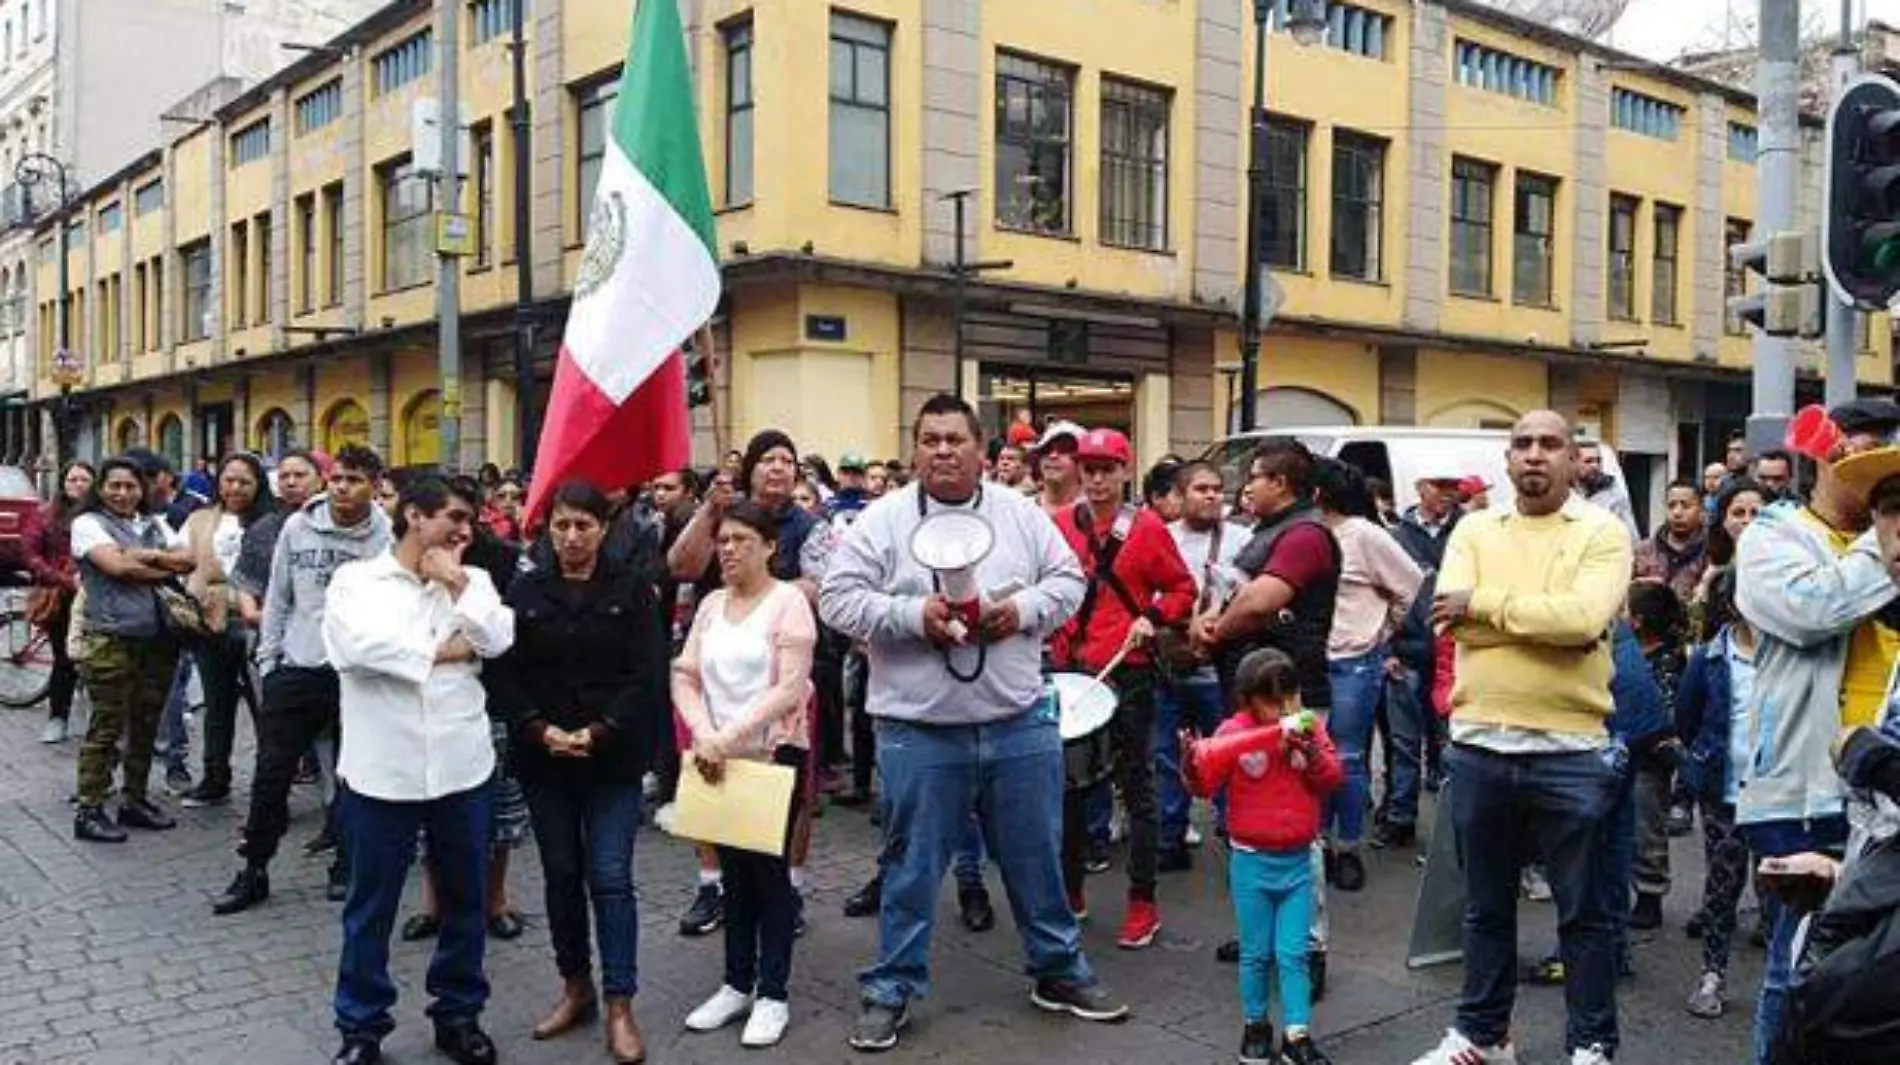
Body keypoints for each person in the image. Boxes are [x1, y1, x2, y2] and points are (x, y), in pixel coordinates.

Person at [821, 393, 1126, 1053]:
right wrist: (912, 616)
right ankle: (893, 986)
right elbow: (839, 599)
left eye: (955, 439)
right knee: (910, 866)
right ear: (914, 450)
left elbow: (1069, 581)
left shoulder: (1019, 514)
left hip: (1018, 720)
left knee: (1036, 855)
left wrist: (1019, 613)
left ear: (981, 450)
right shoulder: (882, 520)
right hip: (920, 729)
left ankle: (1058, 968)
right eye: (929, 439)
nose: (942, 450)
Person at [1411, 410, 1632, 1065]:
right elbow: (1448, 624)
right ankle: (1484, 1035)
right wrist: (1535, 615)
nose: (1535, 454)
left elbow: (1585, 618)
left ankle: (1591, 1043)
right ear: (1508, 460)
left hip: (1571, 748)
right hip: (1481, 743)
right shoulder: (1474, 528)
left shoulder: (1602, 531)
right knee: (1484, 907)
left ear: (1573, 459)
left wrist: (1487, 605)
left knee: (1583, 914)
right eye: (1522, 444)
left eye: (1550, 444)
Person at [323, 475, 515, 1065]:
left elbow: (500, 638)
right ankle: (361, 1028)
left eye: (471, 523)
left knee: (465, 899)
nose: (465, 531)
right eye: (454, 519)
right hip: (383, 771)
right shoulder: (356, 581)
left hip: (463, 765)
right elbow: (357, 650)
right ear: (413, 516)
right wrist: (449, 651)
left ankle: (458, 1014)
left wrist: (455, 583)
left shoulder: (472, 580)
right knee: (371, 905)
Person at [1732, 399, 1900, 1062]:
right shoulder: (1775, 536)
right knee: (1798, 967)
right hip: (1812, 784)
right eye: (1861, 467)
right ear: (1824, 460)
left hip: (1882, 787)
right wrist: (1881, 544)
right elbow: (1810, 609)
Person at [491, 481, 666, 1063]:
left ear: (603, 528)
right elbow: (505, 674)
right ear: (548, 528)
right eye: (561, 526)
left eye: (583, 526)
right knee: (562, 875)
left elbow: (646, 675)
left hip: (611, 757)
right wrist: (539, 729)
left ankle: (621, 1002)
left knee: (610, 877)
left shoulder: (633, 589)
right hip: (545, 757)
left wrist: (599, 730)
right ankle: (576, 987)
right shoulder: (525, 588)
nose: (571, 537)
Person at [210, 445, 391, 916]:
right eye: (337, 479)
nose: (343, 488)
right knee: (272, 773)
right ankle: (253, 869)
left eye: (354, 479)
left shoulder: (387, 537)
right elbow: (278, 597)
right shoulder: (298, 526)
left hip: (357, 675)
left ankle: (347, 864)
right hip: (296, 668)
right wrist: (271, 661)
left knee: (355, 776)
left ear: (374, 485)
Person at [673, 499, 818, 1049]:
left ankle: (773, 993)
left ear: (770, 546)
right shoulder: (711, 604)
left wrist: (726, 736)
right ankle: (735, 983)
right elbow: (685, 673)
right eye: (723, 540)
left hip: (770, 756)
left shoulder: (789, 604)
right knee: (732, 876)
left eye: (741, 540)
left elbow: (788, 688)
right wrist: (703, 732)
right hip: (718, 758)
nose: (728, 550)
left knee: (769, 877)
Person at [1194, 438, 1342, 976]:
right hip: (1249, 694)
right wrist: (1208, 618)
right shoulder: (1265, 534)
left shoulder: (1304, 535)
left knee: (1297, 829)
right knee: (1248, 825)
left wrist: (1214, 631)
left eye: (1254, 476)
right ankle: (1264, 936)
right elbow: (1231, 590)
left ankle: (1307, 949)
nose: (1246, 486)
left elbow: (1261, 600)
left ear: (1281, 483)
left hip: (1290, 698)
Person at [1050, 428, 1196, 948]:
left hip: (1128, 668)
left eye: (1106, 469)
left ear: (1124, 472)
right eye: (1087, 469)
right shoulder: (1061, 524)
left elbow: (1183, 588)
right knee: (1067, 789)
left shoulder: (1148, 528)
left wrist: (1153, 618)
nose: (1095, 479)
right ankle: (1070, 892)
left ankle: (1142, 902)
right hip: (1072, 670)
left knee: (1136, 785)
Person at [1185, 648, 1343, 1065]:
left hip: (1297, 861)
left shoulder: (1309, 728)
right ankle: (1256, 1025)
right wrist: (1191, 763)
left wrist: (1309, 750)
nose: (1283, 711)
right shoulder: (1232, 731)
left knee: (1294, 953)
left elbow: (1332, 778)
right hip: (1252, 861)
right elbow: (1205, 783)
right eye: (1272, 701)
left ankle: (1297, 1034)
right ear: (1247, 699)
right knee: (1256, 953)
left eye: (1289, 699)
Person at [69, 456, 196, 843]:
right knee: (106, 726)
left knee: (145, 722)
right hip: (109, 637)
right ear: (101, 489)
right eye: (114, 486)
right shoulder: (87, 524)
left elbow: (189, 560)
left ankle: (134, 801)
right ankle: (89, 809)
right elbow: (116, 568)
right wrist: (161, 565)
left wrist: (145, 556)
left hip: (157, 639)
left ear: (142, 489)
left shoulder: (153, 523)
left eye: (130, 486)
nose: (123, 493)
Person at [1312, 458, 1421, 891]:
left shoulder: (1364, 534)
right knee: (1311, 757)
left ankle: (1348, 847)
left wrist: (1382, 629)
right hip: (1309, 662)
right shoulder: (1307, 533)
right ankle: (1315, 844)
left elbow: (1410, 583)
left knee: (1349, 758)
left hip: (1353, 661)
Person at [1155, 460, 1246, 869]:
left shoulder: (1243, 540)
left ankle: (1235, 834)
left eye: (1216, 488)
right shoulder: (1158, 538)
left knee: (1227, 752)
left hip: (1221, 668)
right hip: (1170, 663)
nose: (1211, 496)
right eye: (1200, 489)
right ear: (1178, 495)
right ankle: (1170, 837)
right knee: (1166, 755)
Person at [1674, 567, 1756, 1019]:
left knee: (1782, 890)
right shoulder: (1708, 658)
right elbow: (1686, 720)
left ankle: (1793, 980)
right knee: (1723, 886)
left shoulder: (1791, 655)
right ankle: (1712, 973)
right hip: (1723, 792)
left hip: (1777, 794)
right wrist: (1699, 767)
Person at [177, 453, 276, 808]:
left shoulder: (274, 522)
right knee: (217, 707)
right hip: (212, 623)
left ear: (258, 485)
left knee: (265, 709)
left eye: (244, 481)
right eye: (229, 480)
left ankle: (270, 788)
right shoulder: (200, 519)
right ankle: (215, 778)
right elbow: (178, 559)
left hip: (259, 626)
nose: (235, 487)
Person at [24, 460, 94, 744]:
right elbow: (30, 554)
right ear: (63, 483)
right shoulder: (46, 515)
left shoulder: (102, 515)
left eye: (84, 479)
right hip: (61, 598)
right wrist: (61, 578)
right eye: (73, 479)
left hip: (98, 598)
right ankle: (58, 717)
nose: (78, 485)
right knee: (64, 660)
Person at [1634, 480, 1710, 603]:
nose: (1677, 513)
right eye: (1671, 506)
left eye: (1685, 506)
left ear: (1701, 509)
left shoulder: (1713, 553)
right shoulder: (1642, 551)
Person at [1578, 439, 1639, 540]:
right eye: (1588, 461)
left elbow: (1630, 535)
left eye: (1598, 461)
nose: (1595, 466)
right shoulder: (1562, 492)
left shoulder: (1613, 494)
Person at [1033, 420, 1084, 517]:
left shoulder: (1094, 512)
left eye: (1064, 449)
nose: (1053, 455)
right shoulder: (1023, 508)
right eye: (1046, 450)